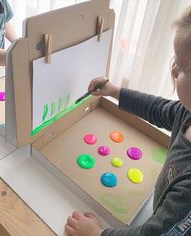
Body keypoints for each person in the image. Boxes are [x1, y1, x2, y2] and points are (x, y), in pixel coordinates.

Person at [65, 5, 191, 236]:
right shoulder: (188, 112)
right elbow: (160, 109)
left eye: (180, 67)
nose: (172, 70)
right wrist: (115, 91)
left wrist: (97, 234)